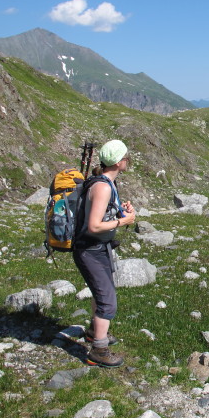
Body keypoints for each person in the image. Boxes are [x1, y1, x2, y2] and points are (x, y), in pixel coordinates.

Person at [73, 139, 136, 367]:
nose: (128, 160)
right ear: (119, 162)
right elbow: (94, 226)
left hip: (96, 249)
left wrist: (121, 211)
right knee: (108, 303)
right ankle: (98, 350)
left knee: (100, 294)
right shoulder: (102, 187)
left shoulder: (105, 183)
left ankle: (93, 331)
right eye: (126, 157)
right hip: (90, 249)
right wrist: (123, 221)